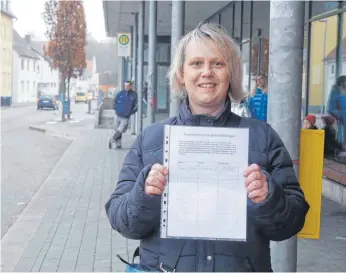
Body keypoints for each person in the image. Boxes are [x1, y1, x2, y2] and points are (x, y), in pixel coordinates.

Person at [105, 22, 309, 272]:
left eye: (218, 64)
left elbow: (293, 221)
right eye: (196, 63)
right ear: (181, 74)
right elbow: (120, 219)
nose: (207, 72)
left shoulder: (262, 137)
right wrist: (144, 194)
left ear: (231, 73)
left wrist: (268, 197)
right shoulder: (151, 139)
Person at [112, 80, 137, 148]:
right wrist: (115, 109)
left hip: (125, 117)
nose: (127, 87)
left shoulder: (134, 95)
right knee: (117, 130)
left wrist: (130, 112)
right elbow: (115, 101)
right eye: (125, 86)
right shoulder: (120, 93)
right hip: (117, 115)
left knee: (121, 130)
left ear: (131, 86)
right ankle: (118, 144)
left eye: (128, 86)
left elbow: (136, 106)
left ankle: (112, 139)